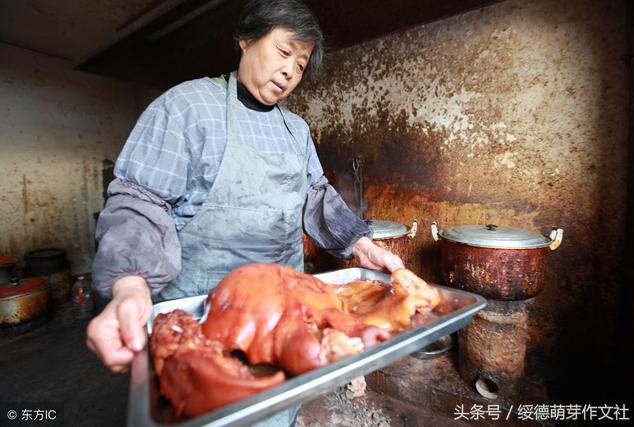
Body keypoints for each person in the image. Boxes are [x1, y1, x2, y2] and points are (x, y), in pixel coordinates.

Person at [86, 1, 403, 422]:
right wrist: (129, 285)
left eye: (302, 63)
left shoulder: (296, 130)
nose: (291, 70)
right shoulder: (188, 108)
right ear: (246, 40)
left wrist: (359, 245)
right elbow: (140, 199)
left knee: (275, 413)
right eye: (283, 51)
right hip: (204, 321)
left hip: (284, 319)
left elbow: (314, 195)